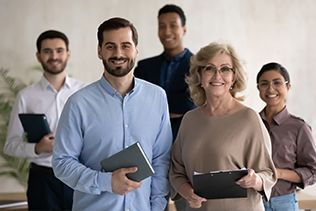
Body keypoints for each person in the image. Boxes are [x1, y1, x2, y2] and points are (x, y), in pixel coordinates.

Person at [52, 17, 173, 211]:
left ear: (136, 50)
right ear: (99, 51)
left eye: (126, 46)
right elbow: (62, 163)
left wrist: (157, 207)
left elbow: (161, 159)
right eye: (110, 46)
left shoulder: (157, 97)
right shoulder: (78, 103)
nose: (118, 53)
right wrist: (106, 181)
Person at [169, 42, 277, 210]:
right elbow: (176, 171)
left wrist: (255, 180)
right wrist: (187, 193)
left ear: (233, 77)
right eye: (209, 68)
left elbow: (268, 173)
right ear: (200, 75)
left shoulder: (249, 118)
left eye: (225, 69)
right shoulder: (189, 120)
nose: (217, 75)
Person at [3, 30, 85, 210]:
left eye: (59, 50)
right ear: (38, 56)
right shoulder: (25, 96)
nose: (54, 56)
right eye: (47, 51)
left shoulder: (84, 92)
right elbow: (10, 145)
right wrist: (37, 148)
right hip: (42, 181)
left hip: (78, 175)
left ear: (68, 54)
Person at [256, 62, 316, 211]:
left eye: (277, 82)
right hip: (253, 201)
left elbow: (313, 171)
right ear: (258, 88)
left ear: (288, 87)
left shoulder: (299, 127)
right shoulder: (251, 123)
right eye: (264, 84)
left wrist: (279, 173)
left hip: (284, 203)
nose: (270, 89)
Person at [134, 4, 195, 142]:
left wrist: (153, 109)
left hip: (186, 139)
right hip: (149, 141)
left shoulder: (199, 66)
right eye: (162, 26)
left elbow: (190, 105)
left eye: (173, 25)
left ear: (184, 30)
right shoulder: (145, 67)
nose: (167, 32)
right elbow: (136, 105)